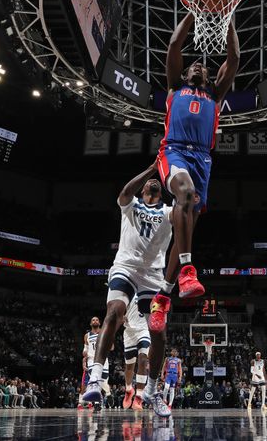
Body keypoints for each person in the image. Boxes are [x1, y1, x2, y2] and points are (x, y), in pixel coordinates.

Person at [148, 11, 241, 333]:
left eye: (205, 66)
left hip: (203, 160)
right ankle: (188, 270)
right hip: (173, 151)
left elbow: (235, 56)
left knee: (183, 225)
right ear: (186, 73)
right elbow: (175, 44)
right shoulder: (175, 88)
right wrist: (196, 11)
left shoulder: (215, 95)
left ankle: (162, 297)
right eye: (195, 65)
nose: (201, 66)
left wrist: (225, 16)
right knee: (184, 196)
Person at [81, 166, 173, 417]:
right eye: (147, 183)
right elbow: (124, 191)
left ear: (161, 191)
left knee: (159, 334)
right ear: (142, 190)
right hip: (126, 267)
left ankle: (153, 392)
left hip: (153, 275)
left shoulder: (168, 212)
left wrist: (172, 174)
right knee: (113, 312)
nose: (152, 182)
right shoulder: (130, 204)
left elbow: (189, 207)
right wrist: (154, 167)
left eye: (156, 182)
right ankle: (95, 379)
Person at [122, 301, 151, 410]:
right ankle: (129, 389)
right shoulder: (128, 289)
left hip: (144, 330)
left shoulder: (149, 289)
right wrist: (121, 316)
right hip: (129, 332)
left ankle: (139, 396)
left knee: (143, 360)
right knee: (129, 366)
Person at [79, 316, 110, 409]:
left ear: (99, 323)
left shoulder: (104, 332)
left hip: (104, 358)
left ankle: (108, 394)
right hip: (92, 359)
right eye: (93, 320)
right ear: (90, 323)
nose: (95, 321)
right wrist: (84, 353)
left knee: (103, 381)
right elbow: (85, 349)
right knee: (95, 379)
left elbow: (111, 346)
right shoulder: (87, 336)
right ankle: (96, 403)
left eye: (97, 319)